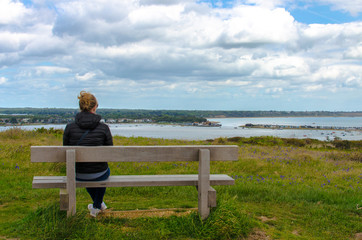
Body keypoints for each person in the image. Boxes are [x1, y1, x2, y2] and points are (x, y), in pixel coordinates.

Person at [63, 91, 113, 217]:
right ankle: (97, 206)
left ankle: (98, 205)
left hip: (77, 173)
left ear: (81, 107)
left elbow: (65, 149)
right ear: (95, 107)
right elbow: (110, 151)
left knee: (86, 169)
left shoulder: (69, 127)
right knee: (104, 173)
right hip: (100, 173)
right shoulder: (104, 128)